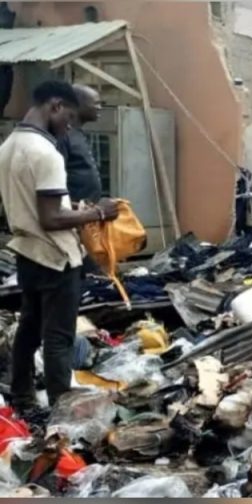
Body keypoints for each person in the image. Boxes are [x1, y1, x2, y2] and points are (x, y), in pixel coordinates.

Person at [0, 81, 118, 413]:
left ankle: (23, 397)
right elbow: (51, 218)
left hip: (27, 252)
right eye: (68, 118)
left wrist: (74, 210)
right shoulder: (46, 152)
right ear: (55, 106)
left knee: (29, 328)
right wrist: (98, 213)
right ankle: (61, 410)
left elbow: (32, 207)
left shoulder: (9, 145)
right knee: (59, 336)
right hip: (55, 256)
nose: (69, 126)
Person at [58, 84, 103, 204]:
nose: (99, 107)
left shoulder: (78, 134)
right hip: (73, 210)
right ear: (76, 104)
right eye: (95, 103)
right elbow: (57, 177)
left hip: (87, 209)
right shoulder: (63, 135)